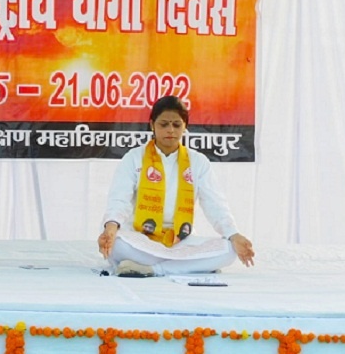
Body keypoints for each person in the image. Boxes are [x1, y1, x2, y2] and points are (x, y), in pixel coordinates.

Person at [97, 95, 255, 277]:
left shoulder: (198, 162)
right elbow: (119, 200)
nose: (170, 130)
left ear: (185, 126)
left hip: (181, 239)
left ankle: (154, 268)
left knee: (228, 250)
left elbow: (215, 204)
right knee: (118, 243)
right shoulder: (133, 158)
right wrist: (110, 228)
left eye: (176, 125)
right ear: (152, 125)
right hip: (141, 237)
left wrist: (234, 234)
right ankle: (189, 265)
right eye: (163, 124)